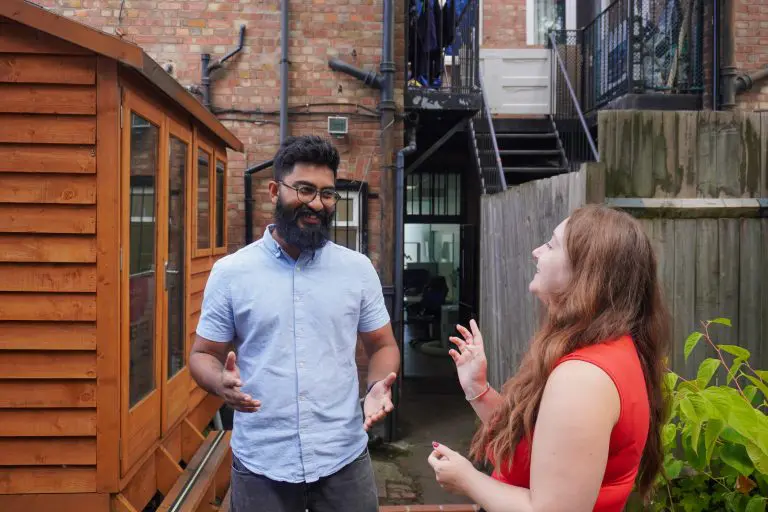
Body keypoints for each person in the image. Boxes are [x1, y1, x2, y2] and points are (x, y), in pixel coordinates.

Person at [190, 135, 400, 512]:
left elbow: (383, 345)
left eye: (328, 194)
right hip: (262, 462)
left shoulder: (357, 270)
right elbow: (203, 355)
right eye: (304, 190)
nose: (316, 204)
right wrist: (219, 382)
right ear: (274, 190)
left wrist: (376, 388)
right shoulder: (232, 273)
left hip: (343, 458)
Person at [427, 204, 670, 512]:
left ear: (585, 272)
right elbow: (541, 448)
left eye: (552, 244)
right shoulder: (606, 349)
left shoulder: (583, 379)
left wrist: (467, 479)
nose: (536, 251)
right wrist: (478, 389)